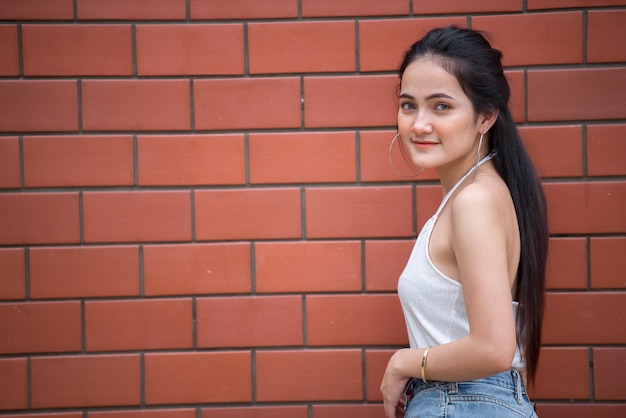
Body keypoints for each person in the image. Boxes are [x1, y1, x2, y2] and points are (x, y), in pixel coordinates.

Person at [380, 26, 548, 418]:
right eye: (409, 105)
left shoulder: (474, 201)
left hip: (460, 403)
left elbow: (492, 348)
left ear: (485, 116)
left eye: (441, 106)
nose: (419, 124)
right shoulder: (478, 193)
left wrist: (403, 362)